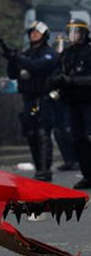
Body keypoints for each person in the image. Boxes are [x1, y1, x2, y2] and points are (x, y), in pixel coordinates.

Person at [1, 21, 58, 181]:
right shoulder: (26, 54)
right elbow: (13, 74)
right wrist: (11, 59)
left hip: (44, 98)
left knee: (43, 133)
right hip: (28, 99)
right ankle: (38, 168)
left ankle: (45, 169)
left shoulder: (49, 53)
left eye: (37, 32)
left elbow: (36, 67)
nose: (33, 34)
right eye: (31, 32)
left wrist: (17, 57)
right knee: (31, 134)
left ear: (44, 35)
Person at [49, 18, 91, 189]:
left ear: (84, 34)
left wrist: (71, 80)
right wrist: (55, 81)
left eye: (77, 31)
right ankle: (87, 175)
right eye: (71, 31)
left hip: (89, 101)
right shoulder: (67, 53)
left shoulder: (89, 51)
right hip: (73, 102)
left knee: (89, 138)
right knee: (78, 140)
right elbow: (57, 71)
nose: (73, 35)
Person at [51, 34, 79, 172]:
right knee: (58, 131)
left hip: (70, 97)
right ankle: (68, 159)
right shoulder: (54, 62)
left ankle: (76, 159)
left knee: (69, 130)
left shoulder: (71, 60)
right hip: (58, 98)